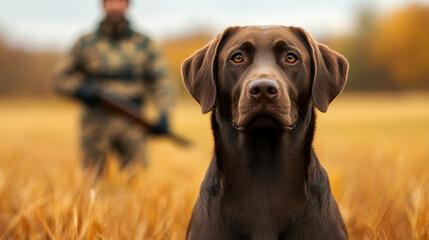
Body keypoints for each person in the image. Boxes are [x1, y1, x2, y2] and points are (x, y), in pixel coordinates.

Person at [53, 0, 174, 174]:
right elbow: (60, 77)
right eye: (110, 1)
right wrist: (80, 90)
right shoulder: (85, 43)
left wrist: (164, 114)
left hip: (133, 119)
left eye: (120, 1)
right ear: (102, 5)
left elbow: (162, 80)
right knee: (92, 180)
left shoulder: (144, 43)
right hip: (95, 122)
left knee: (137, 180)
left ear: (127, 5)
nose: (115, 5)